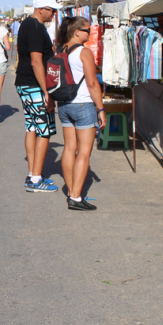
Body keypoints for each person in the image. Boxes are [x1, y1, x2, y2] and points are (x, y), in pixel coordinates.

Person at [55, 17, 106, 211]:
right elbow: (93, 84)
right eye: (87, 30)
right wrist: (101, 109)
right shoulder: (84, 52)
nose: (90, 34)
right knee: (84, 151)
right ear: (77, 31)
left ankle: (71, 192)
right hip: (83, 104)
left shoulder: (60, 50)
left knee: (69, 148)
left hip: (65, 104)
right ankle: (76, 197)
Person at [16, 0, 60, 193]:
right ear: (41, 9)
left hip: (27, 83)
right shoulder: (34, 27)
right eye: (52, 10)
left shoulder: (30, 25)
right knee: (44, 130)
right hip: (34, 85)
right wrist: (47, 92)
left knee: (32, 127)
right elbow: (36, 61)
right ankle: (34, 179)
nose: (54, 14)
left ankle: (33, 174)